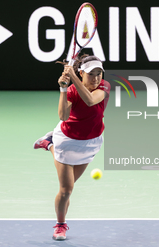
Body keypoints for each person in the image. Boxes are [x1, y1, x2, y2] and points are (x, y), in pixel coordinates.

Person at [33, 54, 110, 240]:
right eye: (92, 74)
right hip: (67, 141)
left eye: (99, 73)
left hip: (91, 143)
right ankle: (61, 225)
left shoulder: (104, 87)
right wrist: (63, 88)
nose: (97, 78)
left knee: (70, 187)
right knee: (66, 190)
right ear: (82, 73)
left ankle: (48, 143)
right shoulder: (73, 90)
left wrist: (73, 77)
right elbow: (63, 116)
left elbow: (91, 101)